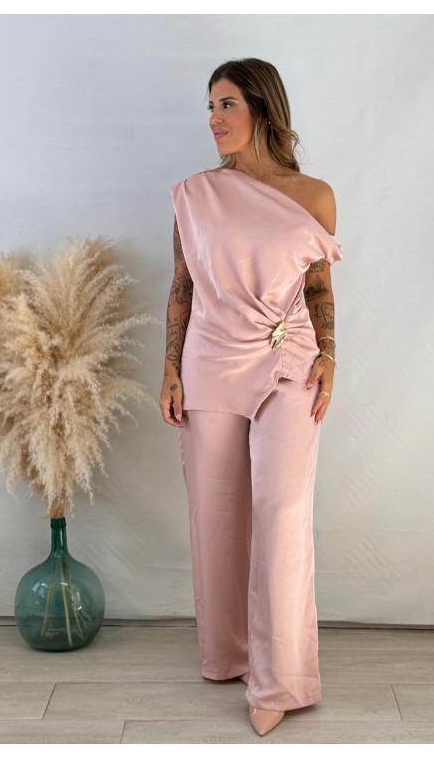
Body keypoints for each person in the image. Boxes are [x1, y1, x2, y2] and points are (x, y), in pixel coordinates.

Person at [159, 58, 341, 737]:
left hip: (288, 360)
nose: (214, 119)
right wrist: (169, 367)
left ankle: (280, 681)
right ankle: (230, 653)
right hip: (209, 360)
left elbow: (318, 286)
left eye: (227, 104)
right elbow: (182, 285)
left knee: (282, 510)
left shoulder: (313, 195)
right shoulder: (194, 195)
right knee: (217, 512)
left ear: (262, 107)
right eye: (210, 106)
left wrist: (330, 355)